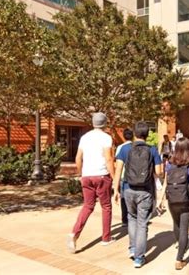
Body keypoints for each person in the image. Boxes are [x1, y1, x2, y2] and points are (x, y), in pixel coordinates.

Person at [113, 121, 162, 268]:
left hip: (128, 188)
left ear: (134, 133)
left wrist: (115, 190)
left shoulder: (124, 149)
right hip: (145, 191)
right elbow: (159, 173)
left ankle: (133, 248)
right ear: (147, 134)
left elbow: (118, 170)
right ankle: (139, 258)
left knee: (131, 218)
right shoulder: (152, 150)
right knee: (142, 223)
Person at [66, 112, 114, 253]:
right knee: (106, 206)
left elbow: (78, 158)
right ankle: (106, 238)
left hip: (87, 176)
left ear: (93, 123)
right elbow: (109, 159)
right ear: (105, 123)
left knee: (87, 206)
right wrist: (114, 176)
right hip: (101, 175)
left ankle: (74, 233)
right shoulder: (106, 138)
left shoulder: (84, 137)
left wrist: (82, 174)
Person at [158, 138, 189, 271]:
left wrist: (161, 198)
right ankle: (179, 259)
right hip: (186, 199)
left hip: (172, 199)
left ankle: (180, 244)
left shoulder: (169, 163)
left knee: (176, 224)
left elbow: (165, 181)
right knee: (184, 229)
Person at [115, 128, 134, 227]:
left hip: (123, 176)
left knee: (123, 199)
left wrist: (115, 185)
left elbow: (117, 165)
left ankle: (124, 220)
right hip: (134, 176)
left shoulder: (120, 148)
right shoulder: (135, 146)